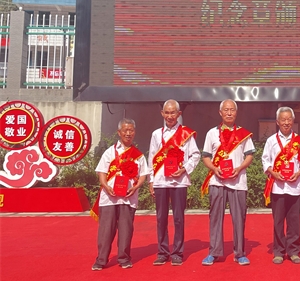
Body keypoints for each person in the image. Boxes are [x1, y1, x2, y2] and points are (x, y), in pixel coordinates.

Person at [201, 99, 255, 266]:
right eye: (226, 110)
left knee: (239, 218)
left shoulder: (243, 134)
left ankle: (240, 253)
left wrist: (239, 168)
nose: (229, 113)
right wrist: (214, 168)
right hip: (217, 181)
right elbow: (206, 156)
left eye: (232, 110)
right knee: (215, 217)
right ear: (220, 112)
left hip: (238, 181)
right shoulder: (211, 133)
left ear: (236, 113)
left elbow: (249, 155)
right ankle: (214, 252)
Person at [148, 99, 200, 266]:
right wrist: (151, 180)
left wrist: (184, 169)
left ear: (179, 114)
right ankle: (162, 252)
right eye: (167, 113)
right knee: (161, 218)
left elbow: (196, 155)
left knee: (178, 218)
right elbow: (151, 158)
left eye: (173, 113)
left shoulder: (186, 133)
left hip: (179, 182)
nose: (170, 116)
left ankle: (177, 252)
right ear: (162, 114)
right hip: (160, 181)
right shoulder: (156, 134)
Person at [92, 118, 149, 270]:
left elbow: (143, 175)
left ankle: (124, 258)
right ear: (119, 132)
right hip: (109, 197)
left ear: (134, 132)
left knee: (126, 229)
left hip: (128, 198)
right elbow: (102, 172)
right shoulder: (109, 152)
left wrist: (136, 187)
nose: (128, 133)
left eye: (131, 130)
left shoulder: (138, 155)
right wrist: (106, 186)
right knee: (106, 230)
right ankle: (101, 259)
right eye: (125, 130)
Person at [262, 107, 300, 264]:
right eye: (283, 119)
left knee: (294, 221)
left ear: (293, 121)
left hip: (294, 187)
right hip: (277, 187)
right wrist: (273, 173)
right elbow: (265, 160)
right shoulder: (271, 141)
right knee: (278, 221)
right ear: (277, 122)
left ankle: (294, 251)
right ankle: (278, 251)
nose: (286, 122)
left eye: (289, 119)